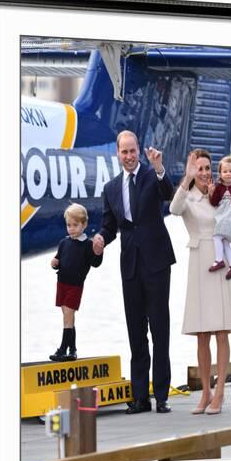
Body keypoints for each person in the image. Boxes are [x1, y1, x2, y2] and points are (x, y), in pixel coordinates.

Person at [93, 130, 176, 414]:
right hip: (130, 264)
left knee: (160, 328)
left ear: (139, 150)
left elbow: (169, 195)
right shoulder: (111, 188)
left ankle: (162, 395)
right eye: (124, 152)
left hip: (156, 262)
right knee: (136, 331)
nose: (129, 156)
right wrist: (101, 239)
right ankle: (140, 396)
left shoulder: (153, 176)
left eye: (132, 151)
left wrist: (160, 168)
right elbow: (109, 226)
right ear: (117, 153)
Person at [169, 149, 231, 415]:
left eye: (206, 167)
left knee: (221, 330)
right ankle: (205, 393)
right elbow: (173, 209)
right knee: (201, 334)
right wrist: (185, 179)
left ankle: (221, 391)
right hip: (198, 261)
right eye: (199, 168)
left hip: (220, 260)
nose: (204, 173)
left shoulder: (219, 193)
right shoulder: (187, 196)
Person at [49, 203, 103, 362]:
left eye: (75, 225)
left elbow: (95, 262)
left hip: (75, 286)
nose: (71, 228)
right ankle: (72, 350)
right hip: (62, 284)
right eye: (68, 225)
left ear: (84, 224)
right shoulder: (64, 242)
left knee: (68, 316)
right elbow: (59, 258)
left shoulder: (87, 245)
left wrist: (99, 252)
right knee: (67, 317)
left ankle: (62, 349)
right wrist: (54, 262)